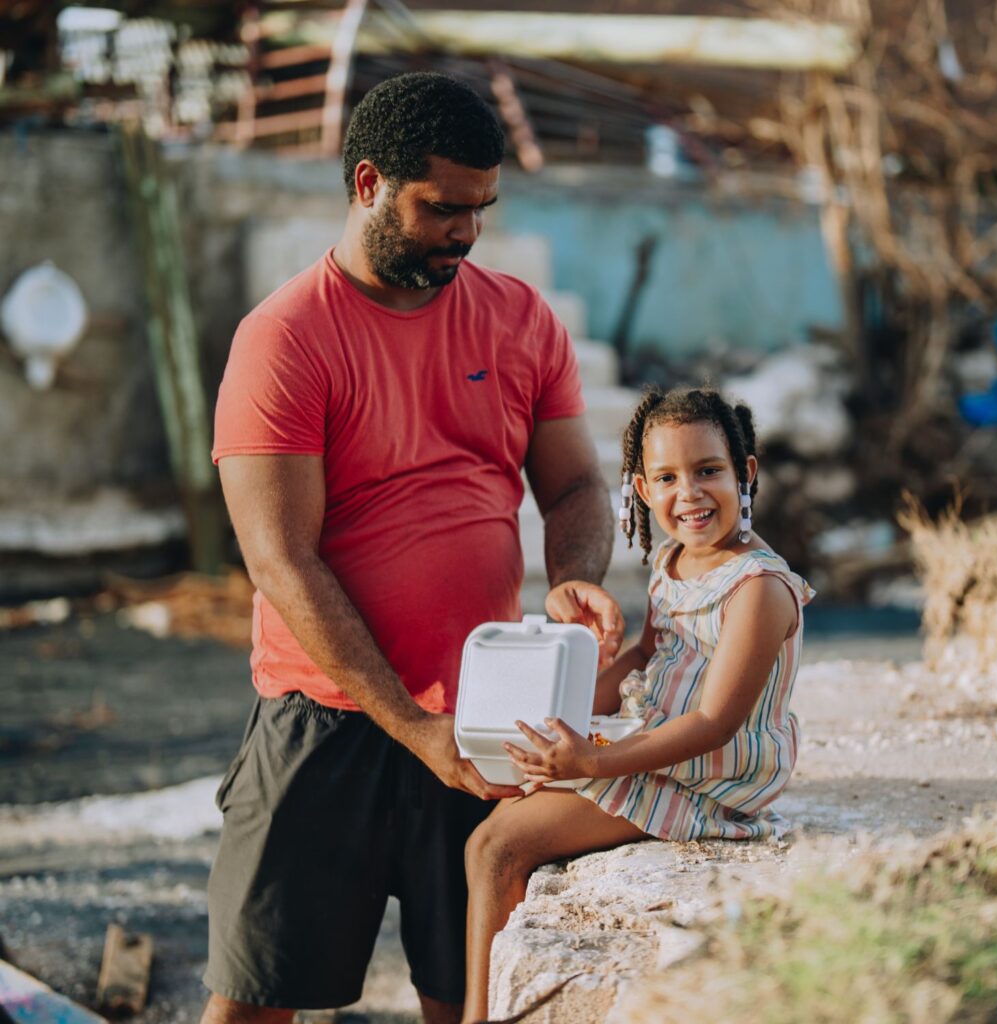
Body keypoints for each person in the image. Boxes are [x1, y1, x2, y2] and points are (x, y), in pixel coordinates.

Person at [200, 72, 623, 1024]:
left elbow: (574, 486)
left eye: (481, 210)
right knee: (252, 1005)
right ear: (367, 184)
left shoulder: (519, 319)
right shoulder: (284, 339)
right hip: (326, 724)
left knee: (471, 998)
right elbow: (282, 560)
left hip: (487, 717)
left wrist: (574, 580)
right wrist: (410, 722)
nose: (465, 233)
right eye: (442, 209)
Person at [462, 386, 815, 1023]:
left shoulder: (758, 590)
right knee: (506, 786)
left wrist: (594, 762)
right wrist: (559, 728)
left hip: (709, 778)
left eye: (710, 471)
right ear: (642, 490)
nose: (691, 494)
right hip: (655, 742)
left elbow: (714, 724)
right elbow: (645, 657)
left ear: (746, 474)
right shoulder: (672, 561)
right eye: (668, 477)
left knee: (496, 848)